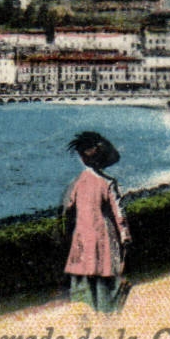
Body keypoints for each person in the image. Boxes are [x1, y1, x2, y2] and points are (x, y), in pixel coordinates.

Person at [62, 130, 131, 313]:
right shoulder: (108, 183)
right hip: (104, 239)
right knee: (106, 283)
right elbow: (120, 216)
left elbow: (67, 211)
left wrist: (68, 235)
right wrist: (125, 238)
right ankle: (107, 318)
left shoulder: (77, 183)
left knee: (84, 284)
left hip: (82, 239)